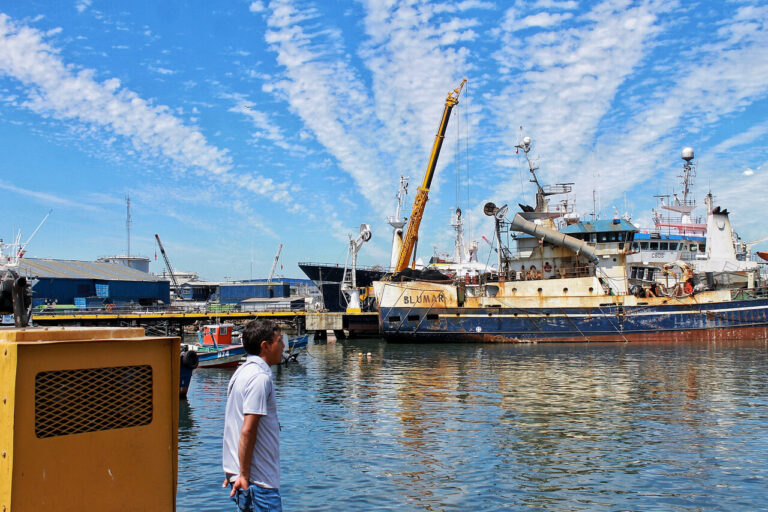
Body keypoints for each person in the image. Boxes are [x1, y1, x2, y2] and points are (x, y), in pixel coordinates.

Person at [222, 319, 285, 511]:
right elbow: (247, 429)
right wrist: (243, 473)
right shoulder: (260, 378)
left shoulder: (240, 373)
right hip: (260, 485)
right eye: (280, 341)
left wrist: (234, 472)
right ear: (265, 346)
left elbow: (233, 424)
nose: (283, 346)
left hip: (246, 481)